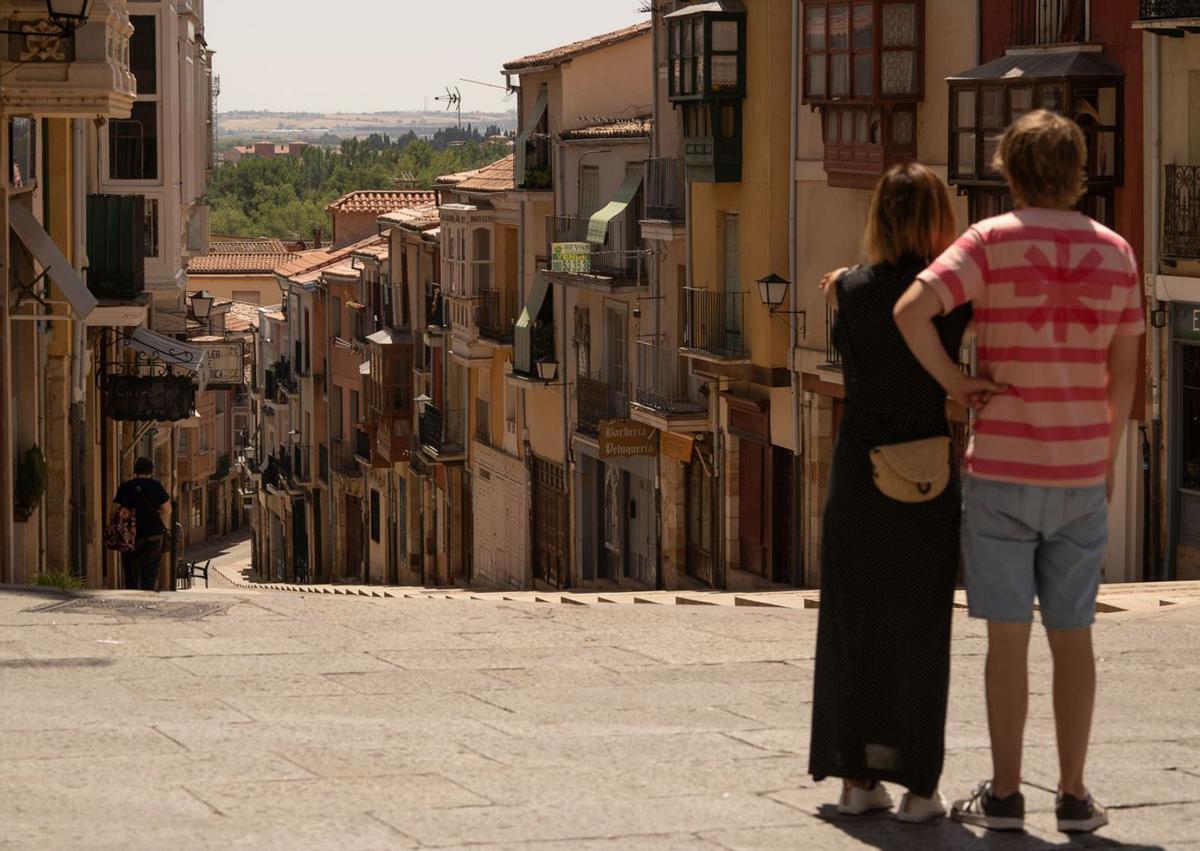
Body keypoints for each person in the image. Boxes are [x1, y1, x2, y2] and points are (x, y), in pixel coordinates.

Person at [894, 110, 1143, 835]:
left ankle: (1005, 795)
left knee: (1007, 639)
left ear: (1007, 168)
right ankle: (1072, 792)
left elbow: (913, 309)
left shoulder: (988, 242)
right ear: (1077, 170)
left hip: (1002, 466)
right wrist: (1107, 460)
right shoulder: (1118, 253)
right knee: (1074, 635)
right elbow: (1124, 371)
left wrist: (954, 381)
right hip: (1080, 470)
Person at [808, 163, 973, 823]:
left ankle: (856, 780)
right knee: (920, 628)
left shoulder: (846, 289)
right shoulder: (955, 296)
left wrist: (846, 280)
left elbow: (856, 298)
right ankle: (920, 790)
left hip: (859, 474)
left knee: (857, 625)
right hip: (928, 473)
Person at [113, 457, 172, 591]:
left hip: (131, 536)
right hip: (153, 535)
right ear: (151, 471)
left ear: (135, 470)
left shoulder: (126, 486)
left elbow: (115, 511)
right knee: (150, 571)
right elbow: (168, 510)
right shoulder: (156, 486)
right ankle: (147, 595)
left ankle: (132, 596)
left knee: (131, 572)